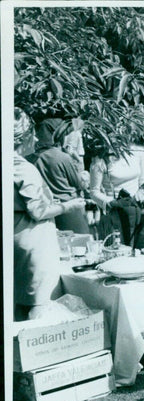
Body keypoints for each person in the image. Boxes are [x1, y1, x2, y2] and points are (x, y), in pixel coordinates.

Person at [13, 108, 85, 320]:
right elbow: (38, 210)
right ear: (22, 138)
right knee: (39, 302)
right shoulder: (22, 167)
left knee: (17, 299)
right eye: (32, 134)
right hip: (33, 240)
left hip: (16, 234)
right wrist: (67, 206)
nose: (36, 138)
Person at [88, 137, 144, 243]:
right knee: (119, 250)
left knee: (141, 248)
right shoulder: (101, 159)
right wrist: (111, 202)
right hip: (115, 211)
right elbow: (94, 191)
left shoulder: (138, 152)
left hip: (138, 207)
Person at [35, 120, 91, 234]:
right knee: (80, 244)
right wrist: (78, 162)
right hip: (69, 208)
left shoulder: (32, 158)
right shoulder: (62, 157)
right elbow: (79, 183)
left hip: (47, 209)